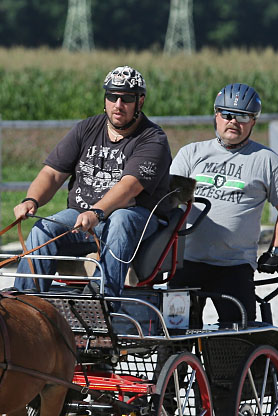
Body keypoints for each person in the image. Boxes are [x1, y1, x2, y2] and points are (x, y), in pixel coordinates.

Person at [13, 65, 173, 299]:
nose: (118, 105)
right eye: (112, 96)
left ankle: (106, 302)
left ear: (140, 102)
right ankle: (27, 305)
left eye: (127, 98)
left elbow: (128, 188)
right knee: (42, 229)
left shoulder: (153, 139)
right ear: (105, 98)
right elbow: (52, 173)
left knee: (120, 219)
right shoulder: (87, 128)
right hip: (82, 217)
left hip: (136, 219)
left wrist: (97, 212)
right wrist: (31, 200)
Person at [169, 82, 278, 327]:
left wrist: (275, 252)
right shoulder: (192, 154)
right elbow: (169, 201)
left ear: (253, 121)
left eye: (242, 116)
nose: (233, 121)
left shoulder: (265, 160)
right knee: (174, 333)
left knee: (235, 342)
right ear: (216, 116)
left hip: (234, 266)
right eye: (227, 114)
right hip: (186, 262)